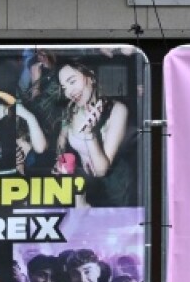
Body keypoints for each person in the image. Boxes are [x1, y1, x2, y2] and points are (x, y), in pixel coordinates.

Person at [54, 59, 134, 207]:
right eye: (64, 87)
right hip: (86, 185)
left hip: (114, 189)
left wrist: (90, 134)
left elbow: (102, 170)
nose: (69, 92)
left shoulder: (117, 110)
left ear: (90, 76)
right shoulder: (72, 108)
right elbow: (62, 137)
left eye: (72, 82)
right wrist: (60, 160)